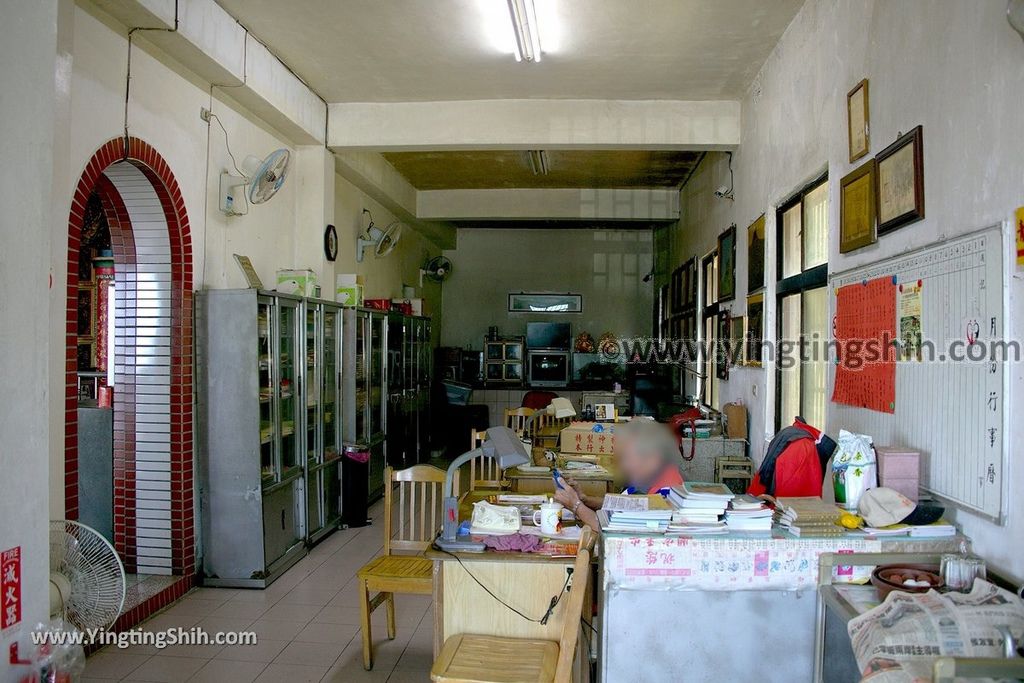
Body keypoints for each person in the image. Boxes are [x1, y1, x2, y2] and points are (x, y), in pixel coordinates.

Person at [553, 419, 685, 532]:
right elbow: (625, 504)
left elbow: (612, 529)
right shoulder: (650, 478)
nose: (623, 466)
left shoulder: (667, 494)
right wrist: (585, 500)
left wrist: (576, 506)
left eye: (626, 458)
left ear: (652, 459)